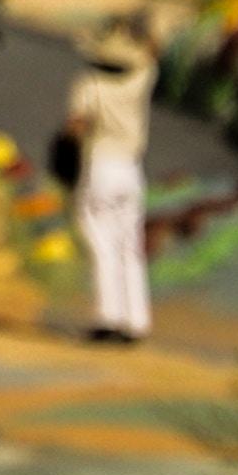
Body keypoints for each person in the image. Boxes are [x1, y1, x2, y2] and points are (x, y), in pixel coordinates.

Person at [66, 25, 158, 344]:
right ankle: (136, 320)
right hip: (131, 168)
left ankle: (109, 316)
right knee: (129, 245)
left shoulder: (90, 84)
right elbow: (151, 52)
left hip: (101, 164)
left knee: (101, 241)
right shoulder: (140, 80)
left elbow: (76, 125)